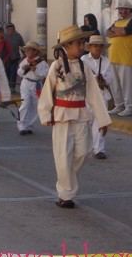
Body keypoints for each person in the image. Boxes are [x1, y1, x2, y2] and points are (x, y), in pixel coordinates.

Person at [38, 25, 111, 209]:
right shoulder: (56, 66)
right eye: (78, 43)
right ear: (67, 46)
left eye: (82, 43)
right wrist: (45, 113)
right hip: (61, 115)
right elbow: (48, 90)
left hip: (80, 114)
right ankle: (65, 194)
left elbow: (93, 93)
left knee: (84, 152)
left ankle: (67, 180)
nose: (81, 46)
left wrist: (102, 119)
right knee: (63, 156)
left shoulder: (84, 66)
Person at [81, 34, 114, 159]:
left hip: (101, 94)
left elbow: (110, 78)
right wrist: (94, 78)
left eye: (100, 46)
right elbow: (81, 76)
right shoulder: (84, 60)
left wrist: (103, 81)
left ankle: (99, 149)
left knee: (100, 121)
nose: (98, 48)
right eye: (95, 46)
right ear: (90, 47)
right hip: (88, 94)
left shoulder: (106, 61)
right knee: (86, 121)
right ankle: (85, 146)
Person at [105, 1, 132, 117]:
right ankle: (119, 105)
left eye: (123, 9)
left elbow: (125, 31)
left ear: (129, 10)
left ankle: (130, 107)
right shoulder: (117, 22)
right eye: (119, 9)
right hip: (113, 57)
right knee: (114, 84)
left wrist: (117, 31)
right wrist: (118, 32)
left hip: (125, 57)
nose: (120, 11)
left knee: (126, 85)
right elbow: (107, 33)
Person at [17, 41, 49, 136]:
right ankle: (22, 126)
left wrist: (36, 70)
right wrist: (23, 69)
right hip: (26, 83)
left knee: (35, 106)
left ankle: (29, 125)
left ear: (35, 51)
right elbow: (19, 73)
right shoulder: (25, 60)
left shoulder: (42, 63)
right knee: (25, 103)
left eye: (29, 50)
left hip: (37, 85)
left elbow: (46, 74)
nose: (26, 52)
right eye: (26, 50)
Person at [5, 22, 25, 93]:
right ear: (7, 30)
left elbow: (22, 46)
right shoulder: (4, 36)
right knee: (7, 73)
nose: (11, 31)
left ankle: (12, 87)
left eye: (12, 29)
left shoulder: (18, 36)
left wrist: (24, 55)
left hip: (15, 57)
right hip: (6, 59)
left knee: (13, 73)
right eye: (9, 29)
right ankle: (7, 87)